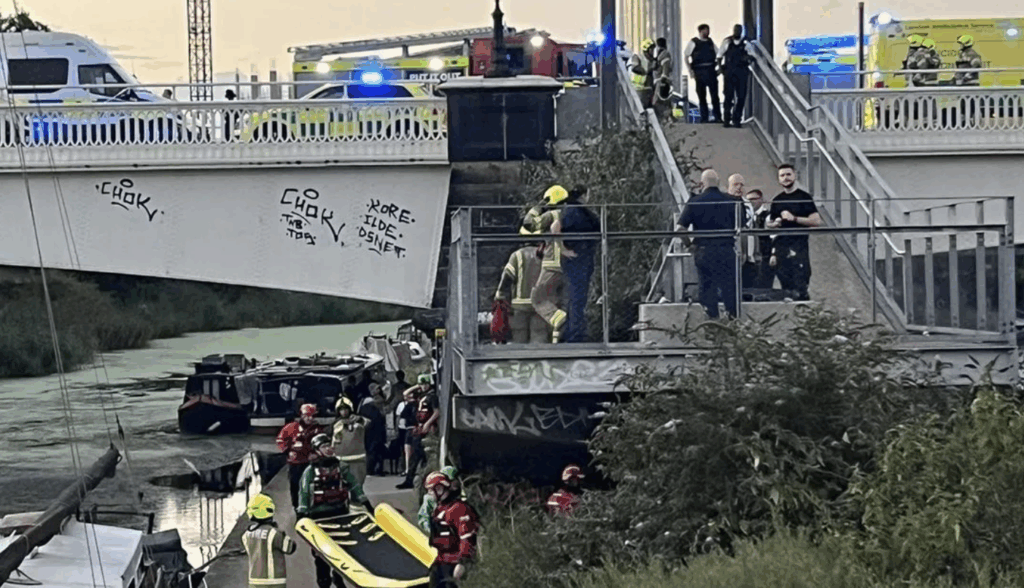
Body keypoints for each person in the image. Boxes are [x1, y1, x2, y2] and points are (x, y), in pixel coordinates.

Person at [298, 434, 374, 588]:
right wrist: (302, 514)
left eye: (329, 445)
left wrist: (366, 504)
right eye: (324, 446)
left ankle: (338, 577)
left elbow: (354, 485)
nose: (328, 449)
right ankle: (324, 581)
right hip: (318, 515)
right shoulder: (310, 471)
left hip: (340, 512)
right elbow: (304, 492)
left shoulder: (342, 467)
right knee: (320, 553)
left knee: (341, 548)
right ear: (317, 450)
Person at [676, 169, 742, 319]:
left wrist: (689, 245)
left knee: (707, 287)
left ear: (702, 184)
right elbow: (741, 227)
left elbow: (680, 229)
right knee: (729, 288)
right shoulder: (732, 201)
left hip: (704, 250)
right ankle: (733, 320)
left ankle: (712, 320)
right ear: (718, 183)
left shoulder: (694, 201)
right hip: (726, 249)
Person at [766, 164, 822, 301]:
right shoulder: (777, 200)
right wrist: (774, 224)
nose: (785, 178)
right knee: (786, 288)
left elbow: (816, 221)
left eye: (788, 174)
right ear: (778, 179)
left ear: (795, 175)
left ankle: (804, 308)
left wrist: (795, 218)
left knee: (801, 283)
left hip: (799, 246)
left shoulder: (804, 197)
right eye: (782, 175)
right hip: (781, 248)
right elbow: (771, 227)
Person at [553, 185, 600, 343]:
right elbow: (555, 227)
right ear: (584, 195)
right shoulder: (573, 210)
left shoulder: (575, 209)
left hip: (581, 256)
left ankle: (573, 332)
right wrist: (562, 249)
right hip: (577, 257)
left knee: (577, 297)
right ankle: (574, 334)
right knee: (576, 297)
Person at [525, 185, 570, 343]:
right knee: (555, 302)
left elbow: (528, 225)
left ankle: (561, 320)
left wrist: (536, 208)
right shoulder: (571, 214)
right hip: (569, 264)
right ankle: (559, 339)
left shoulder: (551, 215)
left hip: (552, 263)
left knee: (537, 297)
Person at [425, 471, 480, 588]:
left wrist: (463, 562)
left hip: (454, 563)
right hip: (442, 561)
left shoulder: (459, 509)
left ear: (439, 489)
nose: (430, 494)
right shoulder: (440, 509)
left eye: (431, 490)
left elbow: (467, 537)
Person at [494, 239, 548, 344]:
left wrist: (500, 295)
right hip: (541, 307)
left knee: (520, 340)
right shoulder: (546, 255)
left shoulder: (517, 255)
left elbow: (507, 278)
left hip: (519, 307)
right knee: (539, 338)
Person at [275, 403, 325, 511]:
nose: (309, 418)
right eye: (307, 415)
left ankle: (311, 505)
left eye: (312, 416)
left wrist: (317, 454)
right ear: (301, 415)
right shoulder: (291, 427)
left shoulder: (318, 429)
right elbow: (280, 440)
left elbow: (324, 445)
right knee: (295, 486)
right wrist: (288, 451)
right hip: (295, 463)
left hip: (311, 463)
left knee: (311, 485)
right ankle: (296, 507)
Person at [241, 494, 297, 588]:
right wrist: (280, 531)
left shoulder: (247, 534)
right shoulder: (274, 533)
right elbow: (290, 548)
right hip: (275, 581)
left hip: (254, 580)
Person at [398, 375, 439, 489]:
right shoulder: (421, 395)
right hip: (419, 427)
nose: (423, 386)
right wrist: (417, 386)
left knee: (423, 455)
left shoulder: (432, 396)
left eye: (425, 384)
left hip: (427, 428)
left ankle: (416, 479)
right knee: (416, 455)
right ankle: (410, 479)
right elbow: (405, 394)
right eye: (422, 384)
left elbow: (436, 412)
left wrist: (428, 423)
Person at [684, 24, 722, 124]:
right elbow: (686, 56)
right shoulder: (694, 42)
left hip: (711, 71)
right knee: (702, 96)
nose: (707, 32)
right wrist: (690, 70)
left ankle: (718, 117)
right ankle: (704, 118)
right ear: (700, 31)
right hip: (699, 72)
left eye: (708, 30)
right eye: (705, 30)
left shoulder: (710, 42)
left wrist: (719, 68)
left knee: (714, 95)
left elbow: (718, 54)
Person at [718, 24, 751, 128]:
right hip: (729, 73)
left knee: (741, 97)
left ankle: (737, 120)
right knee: (728, 96)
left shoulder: (746, 43)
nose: (737, 32)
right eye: (735, 30)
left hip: (742, 73)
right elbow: (719, 56)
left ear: (741, 31)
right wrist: (720, 68)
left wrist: (748, 58)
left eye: (739, 30)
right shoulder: (727, 42)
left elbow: (752, 56)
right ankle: (727, 119)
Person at [331, 397, 368, 487]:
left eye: (346, 409)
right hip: (340, 460)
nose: (344, 412)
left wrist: (359, 419)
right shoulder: (336, 424)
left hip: (358, 460)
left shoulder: (358, 422)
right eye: (341, 410)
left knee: (357, 487)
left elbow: (368, 423)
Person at [418, 465, 466, 534]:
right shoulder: (430, 498)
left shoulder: (461, 494)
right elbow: (423, 518)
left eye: (454, 480)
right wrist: (432, 529)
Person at [743, 189, 775, 289]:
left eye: (753, 199)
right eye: (748, 200)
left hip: (765, 256)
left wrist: (773, 254)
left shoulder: (768, 216)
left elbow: (773, 237)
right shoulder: (747, 217)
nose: (750, 202)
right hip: (751, 259)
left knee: (764, 286)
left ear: (761, 199)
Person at [358, 387, 388, 476]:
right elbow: (380, 420)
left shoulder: (363, 407)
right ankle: (376, 469)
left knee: (370, 451)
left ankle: (370, 470)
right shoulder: (376, 409)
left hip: (368, 432)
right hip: (377, 432)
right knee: (376, 452)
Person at [396, 387, 419, 477]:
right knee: (407, 450)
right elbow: (405, 393)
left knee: (415, 450)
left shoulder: (419, 403)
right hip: (408, 428)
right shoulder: (408, 405)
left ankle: (413, 469)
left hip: (416, 428)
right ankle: (407, 469)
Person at [651, 37, 674, 123]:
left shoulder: (664, 54)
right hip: (659, 81)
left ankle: (665, 117)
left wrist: (664, 78)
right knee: (664, 102)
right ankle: (668, 118)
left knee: (657, 102)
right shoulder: (660, 54)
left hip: (662, 81)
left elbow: (666, 66)